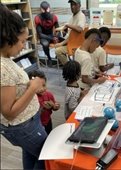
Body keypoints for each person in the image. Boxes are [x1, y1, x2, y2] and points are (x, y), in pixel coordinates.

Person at [0, 3, 47, 170]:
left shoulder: (5, 61)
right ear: (8, 39)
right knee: (47, 156)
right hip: (22, 125)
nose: (23, 46)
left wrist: (29, 86)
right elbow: (9, 112)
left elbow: (11, 89)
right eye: (22, 42)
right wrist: (33, 88)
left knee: (31, 153)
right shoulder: (3, 67)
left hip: (26, 124)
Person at [55, 0, 86, 65]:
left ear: (79, 6)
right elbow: (70, 33)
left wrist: (67, 25)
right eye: (71, 5)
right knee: (57, 38)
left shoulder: (81, 16)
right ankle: (70, 67)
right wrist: (59, 29)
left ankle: (69, 68)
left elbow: (80, 29)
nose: (72, 7)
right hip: (71, 41)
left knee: (58, 51)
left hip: (76, 44)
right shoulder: (73, 17)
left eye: (74, 5)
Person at [28, 70, 60, 134]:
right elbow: (30, 115)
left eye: (44, 85)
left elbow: (54, 108)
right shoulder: (30, 98)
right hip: (36, 124)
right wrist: (42, 108)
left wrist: (55, 106)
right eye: (38, 87)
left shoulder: (49, 95)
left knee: (49, 133)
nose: (42, 89)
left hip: (48, 120)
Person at [34, 1, 59, 65]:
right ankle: (49, 58)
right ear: (41, 9)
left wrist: (56, 36)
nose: (45, 11)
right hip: (43, 37)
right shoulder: (38, 18)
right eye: (43, 10)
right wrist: (51, 38)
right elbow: (40, 34)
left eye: (46, 9)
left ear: (49, 8)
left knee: (62, 41)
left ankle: (58, 56)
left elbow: (57, 29)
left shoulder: (54, 17)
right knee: (45, 44)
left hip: (51, 35)